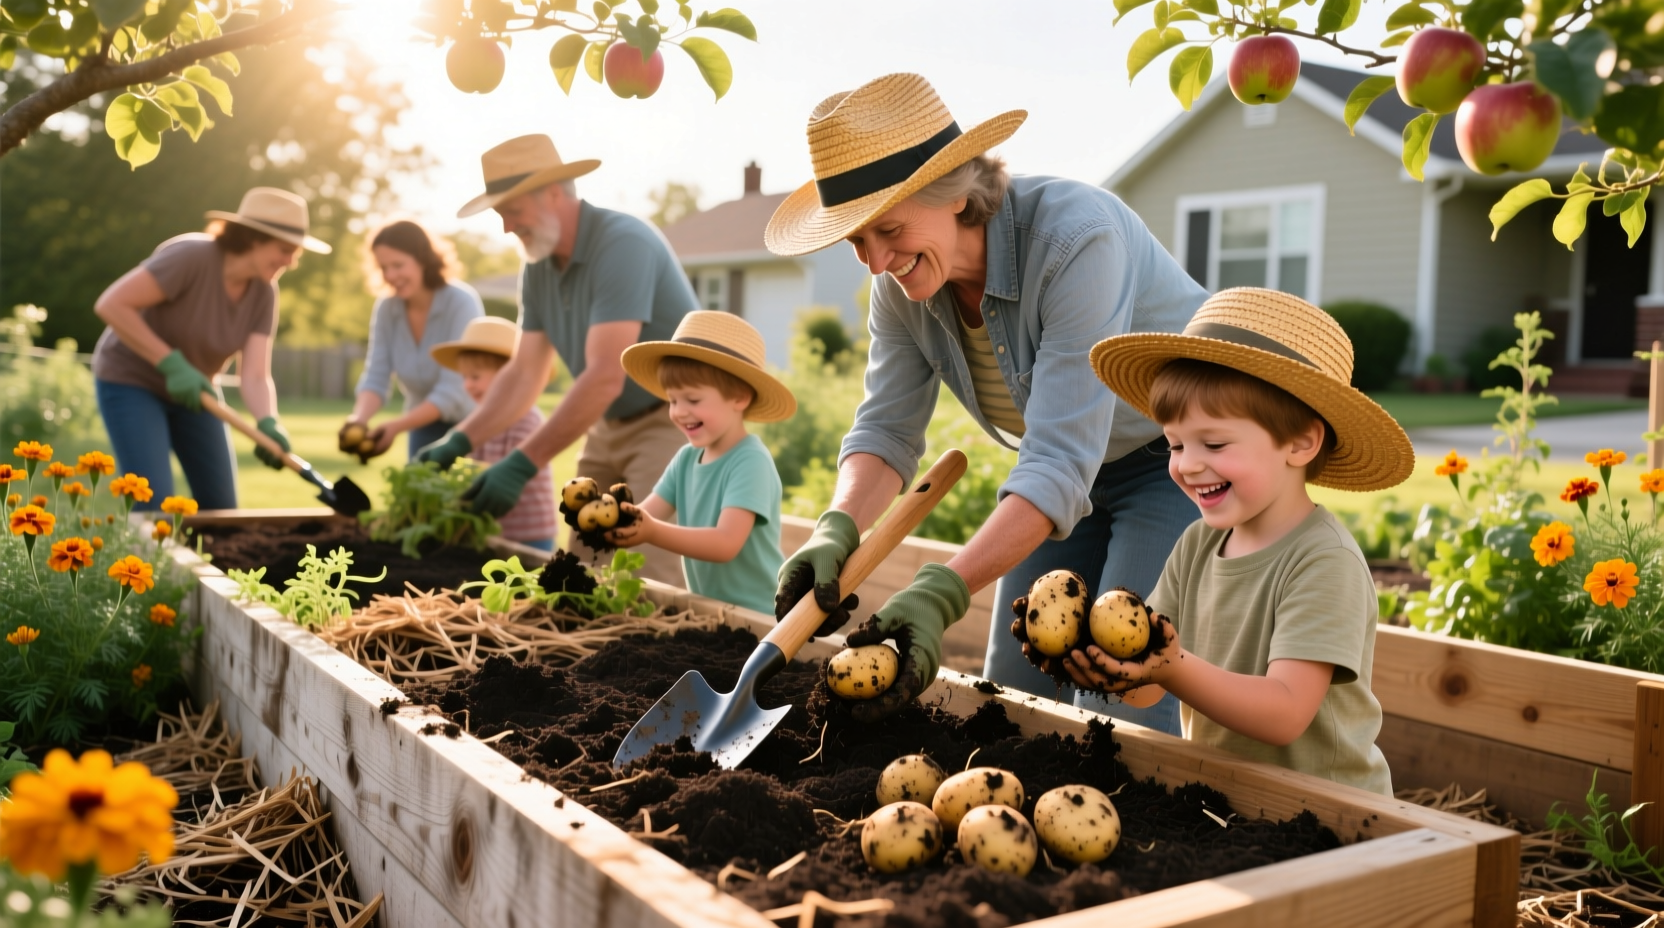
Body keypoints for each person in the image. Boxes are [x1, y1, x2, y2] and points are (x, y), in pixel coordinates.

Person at [762, 73, 1207, 726]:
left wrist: (942, 590)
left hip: (1175, 462)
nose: (875, 260)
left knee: (1113, 690)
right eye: (854, 240)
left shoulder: (1075, 240)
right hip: (1063, 477)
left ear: (953, 192)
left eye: (886, 228)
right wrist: (837, 527)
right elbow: (886, 431)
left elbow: (1058, 459)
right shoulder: (901, 288)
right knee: (1010, 695)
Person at [1061, 287, 1414, 794]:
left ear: (1301, 442)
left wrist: (1172, 666)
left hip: (1329, 813)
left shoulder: (1323, 561)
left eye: (1215, 443)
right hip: (1224, 799)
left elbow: (1285, 712)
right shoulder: (1197, 544)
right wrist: (1115, 668)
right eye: (1175, 443)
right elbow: (1150, 680)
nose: (1185, 464)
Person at [415, 134, 694, 586]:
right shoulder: (538, 267)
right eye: (500, 215)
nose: (506, 227)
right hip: (608, 423)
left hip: (672, 419)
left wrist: (523, 464)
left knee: (643, 573)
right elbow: (525, 371)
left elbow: (605, 375)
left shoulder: (623, 244)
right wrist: (459, 441)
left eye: (512, 211)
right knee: (575, 571)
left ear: (553, 192)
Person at [91, 187, 331, 510]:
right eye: (285, 249)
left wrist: (267, 422)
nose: (291, 261)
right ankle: (151, 559)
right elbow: (113, 305)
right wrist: (171, 365)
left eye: (295, 253)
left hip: (197, 392)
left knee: (221, 509)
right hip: (131, 382)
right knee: (153, 503)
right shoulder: (191, 257)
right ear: (253, 237)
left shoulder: (264, 294)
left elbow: (257, 374)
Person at [609, 311, 795, 614]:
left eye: (692, 400)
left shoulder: (750, 461)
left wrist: (652, 531)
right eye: (672, 400)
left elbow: (725, 543)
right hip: (710, 611)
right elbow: (646, 513)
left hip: (759, 616)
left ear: (739, 398)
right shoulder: (686, 459)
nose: (679, 412)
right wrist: (613, 520)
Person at [343, 221, 483, 460]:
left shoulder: (461, 303)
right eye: (383, 267)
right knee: (416, 496)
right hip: (422, 426)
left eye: (398, 265)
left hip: (472, 426)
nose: (390, 275)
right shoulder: (387, 309)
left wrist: (397, 426)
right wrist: (358, 420)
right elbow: (376, 375)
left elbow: (454, 388)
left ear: (423, 259)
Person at [429, 317, 558, 550]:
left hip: (529, 534)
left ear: (506, 377)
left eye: (475, 377)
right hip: (493, 532)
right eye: (465, 377)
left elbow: (507, 473)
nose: (468, 385)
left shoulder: (526, 419)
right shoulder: (475, 422)